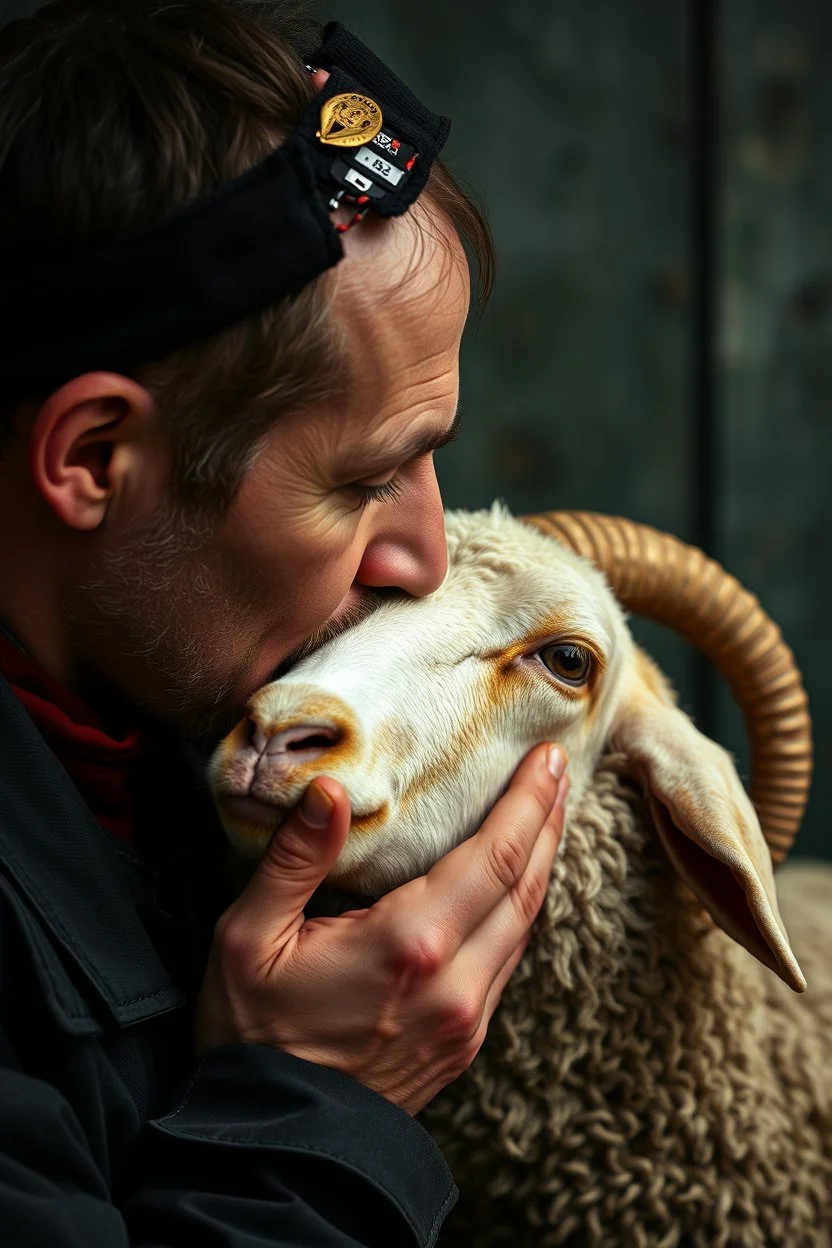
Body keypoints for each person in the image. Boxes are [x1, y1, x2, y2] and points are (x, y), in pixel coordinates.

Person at [0, 2, 570, 1245]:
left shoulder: (165, 726)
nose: (424, 558)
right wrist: (319, 1109)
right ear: (97, 456)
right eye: (364, 479)